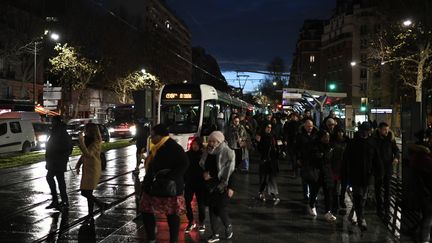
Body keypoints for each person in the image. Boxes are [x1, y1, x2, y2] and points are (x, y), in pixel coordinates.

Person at [140, 124, 189, 243]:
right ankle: (151, 237)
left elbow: (185, 163)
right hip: (155, 185)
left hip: (169, 187)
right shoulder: (157, 146)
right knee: (146, 209)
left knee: (172, 214)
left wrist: (170, 178)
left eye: (152, 135)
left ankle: (173, 240)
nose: (151, 138)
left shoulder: (173, 146)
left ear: (160, 136)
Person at [343, 122, 382, 231]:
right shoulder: (353, 143)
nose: (365, 133)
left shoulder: (372, 143)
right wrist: (345, 173)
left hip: (368, 175)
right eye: (364, 131)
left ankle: (354, 213)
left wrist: (379, 173)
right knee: (358, 196)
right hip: (355, 174)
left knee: (363, 197)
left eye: (367, 131)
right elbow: (346, 159)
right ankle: (361, 219)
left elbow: (376, 159)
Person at [199, 131, 235, 243]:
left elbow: (232, 171)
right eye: (210, 141)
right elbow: (204, 166)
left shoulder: (228, 152)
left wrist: (231, 187)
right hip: (209, 185)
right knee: (212, 210)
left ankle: (228, 225)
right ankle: (215, 234)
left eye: (214, 141)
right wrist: (205, 173)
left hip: (222, 185)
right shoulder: (207, 152)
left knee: (220, 209)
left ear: (220, 141)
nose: (211, 143)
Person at [75, 123, 107, 225]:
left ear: (91, 131)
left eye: (86, 129)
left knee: (86, 193)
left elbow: (88, 154)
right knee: (86, 192)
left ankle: (91, 214)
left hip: (93, 170)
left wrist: (81, 141)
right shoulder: (88, 140)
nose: (84, 131)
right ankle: (97, 208)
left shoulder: (96, 142)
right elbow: (84, 155)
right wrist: (78, 164)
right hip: (87, 169)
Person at [306, 130, 337, 222]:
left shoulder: (330, 147)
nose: (327, 139)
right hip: (317, 173)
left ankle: (328, 212)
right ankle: (311, 205)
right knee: (314, 191)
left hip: (327, 172)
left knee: (328, 193)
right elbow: (314, 159)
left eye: (328, 137)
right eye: (325, 137)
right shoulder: (314, 146)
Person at [408, 130, 432, 243]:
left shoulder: (418, 153)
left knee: (426, 216)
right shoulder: (423, 156)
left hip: (422, 190)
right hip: (425, 191)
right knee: (428, 217)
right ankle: (424, 239)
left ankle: (415, 231)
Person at [45, 116, 73, 210]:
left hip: (57, 160)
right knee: (59, 180)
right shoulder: (56, 131)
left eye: (52, 121)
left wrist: (56, 152)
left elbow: (67, 146)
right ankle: (61, 200)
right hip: (54, 160)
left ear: (56, 122)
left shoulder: (60, 132)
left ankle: (59, 200)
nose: (51, 123)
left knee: (53, 178)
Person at [373, 122, 400, 217]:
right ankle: (379, 208)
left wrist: (396, 157)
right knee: (378, 189)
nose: (386, 131)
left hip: (388, 167)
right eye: (384, 129)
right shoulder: (374, 139)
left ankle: (387, 209)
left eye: (387, 129)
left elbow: (396, 150)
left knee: (388, 188)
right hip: (378, 168)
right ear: (379, 129)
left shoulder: (390, 139)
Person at [184, 137, 207, 233]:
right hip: (189, 182)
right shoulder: (187, 154)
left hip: (201, 183)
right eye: (193, 144)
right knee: (187, 202)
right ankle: (191, 221)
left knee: (201, 204)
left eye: (197, 144)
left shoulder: (204, 155)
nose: (195, 146)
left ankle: (201, 222)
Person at [257, 123, 280, 204]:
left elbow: (277, 146)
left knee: (271, 178)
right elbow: (259, 149)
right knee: (263, 178)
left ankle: (274, 195)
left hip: (272, 161)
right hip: (264, 160)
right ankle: (262, 193)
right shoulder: (262, 137)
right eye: (267, 127)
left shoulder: (273, 136)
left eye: (270, 127)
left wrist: (279, 150)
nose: (269, 129)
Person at [296, 119, 319, 203]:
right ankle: (306, 195)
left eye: (311, 126)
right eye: (308, 126)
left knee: (314, 179)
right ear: (305, 126)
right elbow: (297, 148)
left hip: (314, 160)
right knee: (305, 179)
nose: (310, 128)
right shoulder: (300, 135)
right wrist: (298, 158)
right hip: (304, 160)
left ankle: (313, 195)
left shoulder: (316, 134)